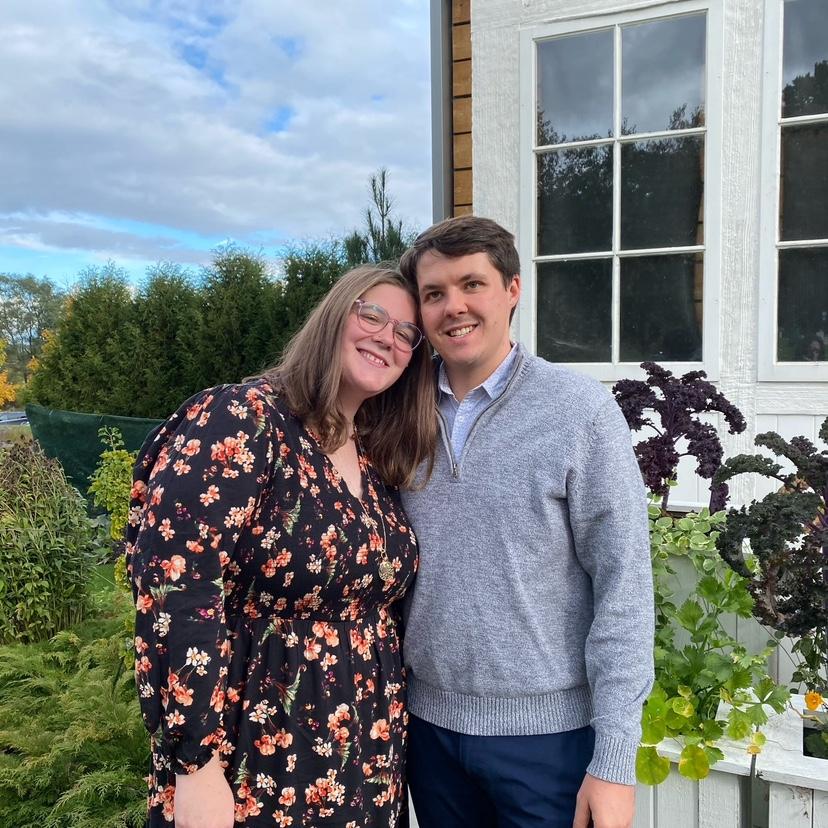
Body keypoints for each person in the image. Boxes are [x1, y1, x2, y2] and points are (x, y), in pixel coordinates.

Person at [126, 264, 436, 828]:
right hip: (256, 750)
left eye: (405, 333)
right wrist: (195, 766)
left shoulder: (373, 453)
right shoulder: (241, 419)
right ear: (334, 316)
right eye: (372, 314)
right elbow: (176, 586)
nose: (386, 337)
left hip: (365, 757)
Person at [398, 216, 654, 828]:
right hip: (428, 736)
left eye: (472, 284)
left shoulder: (579, 412)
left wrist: (615, 760)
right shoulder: (396, 412)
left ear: (512, 289)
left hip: (549, 743)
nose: (453, 307)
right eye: (434, 293)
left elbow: (623, 586)